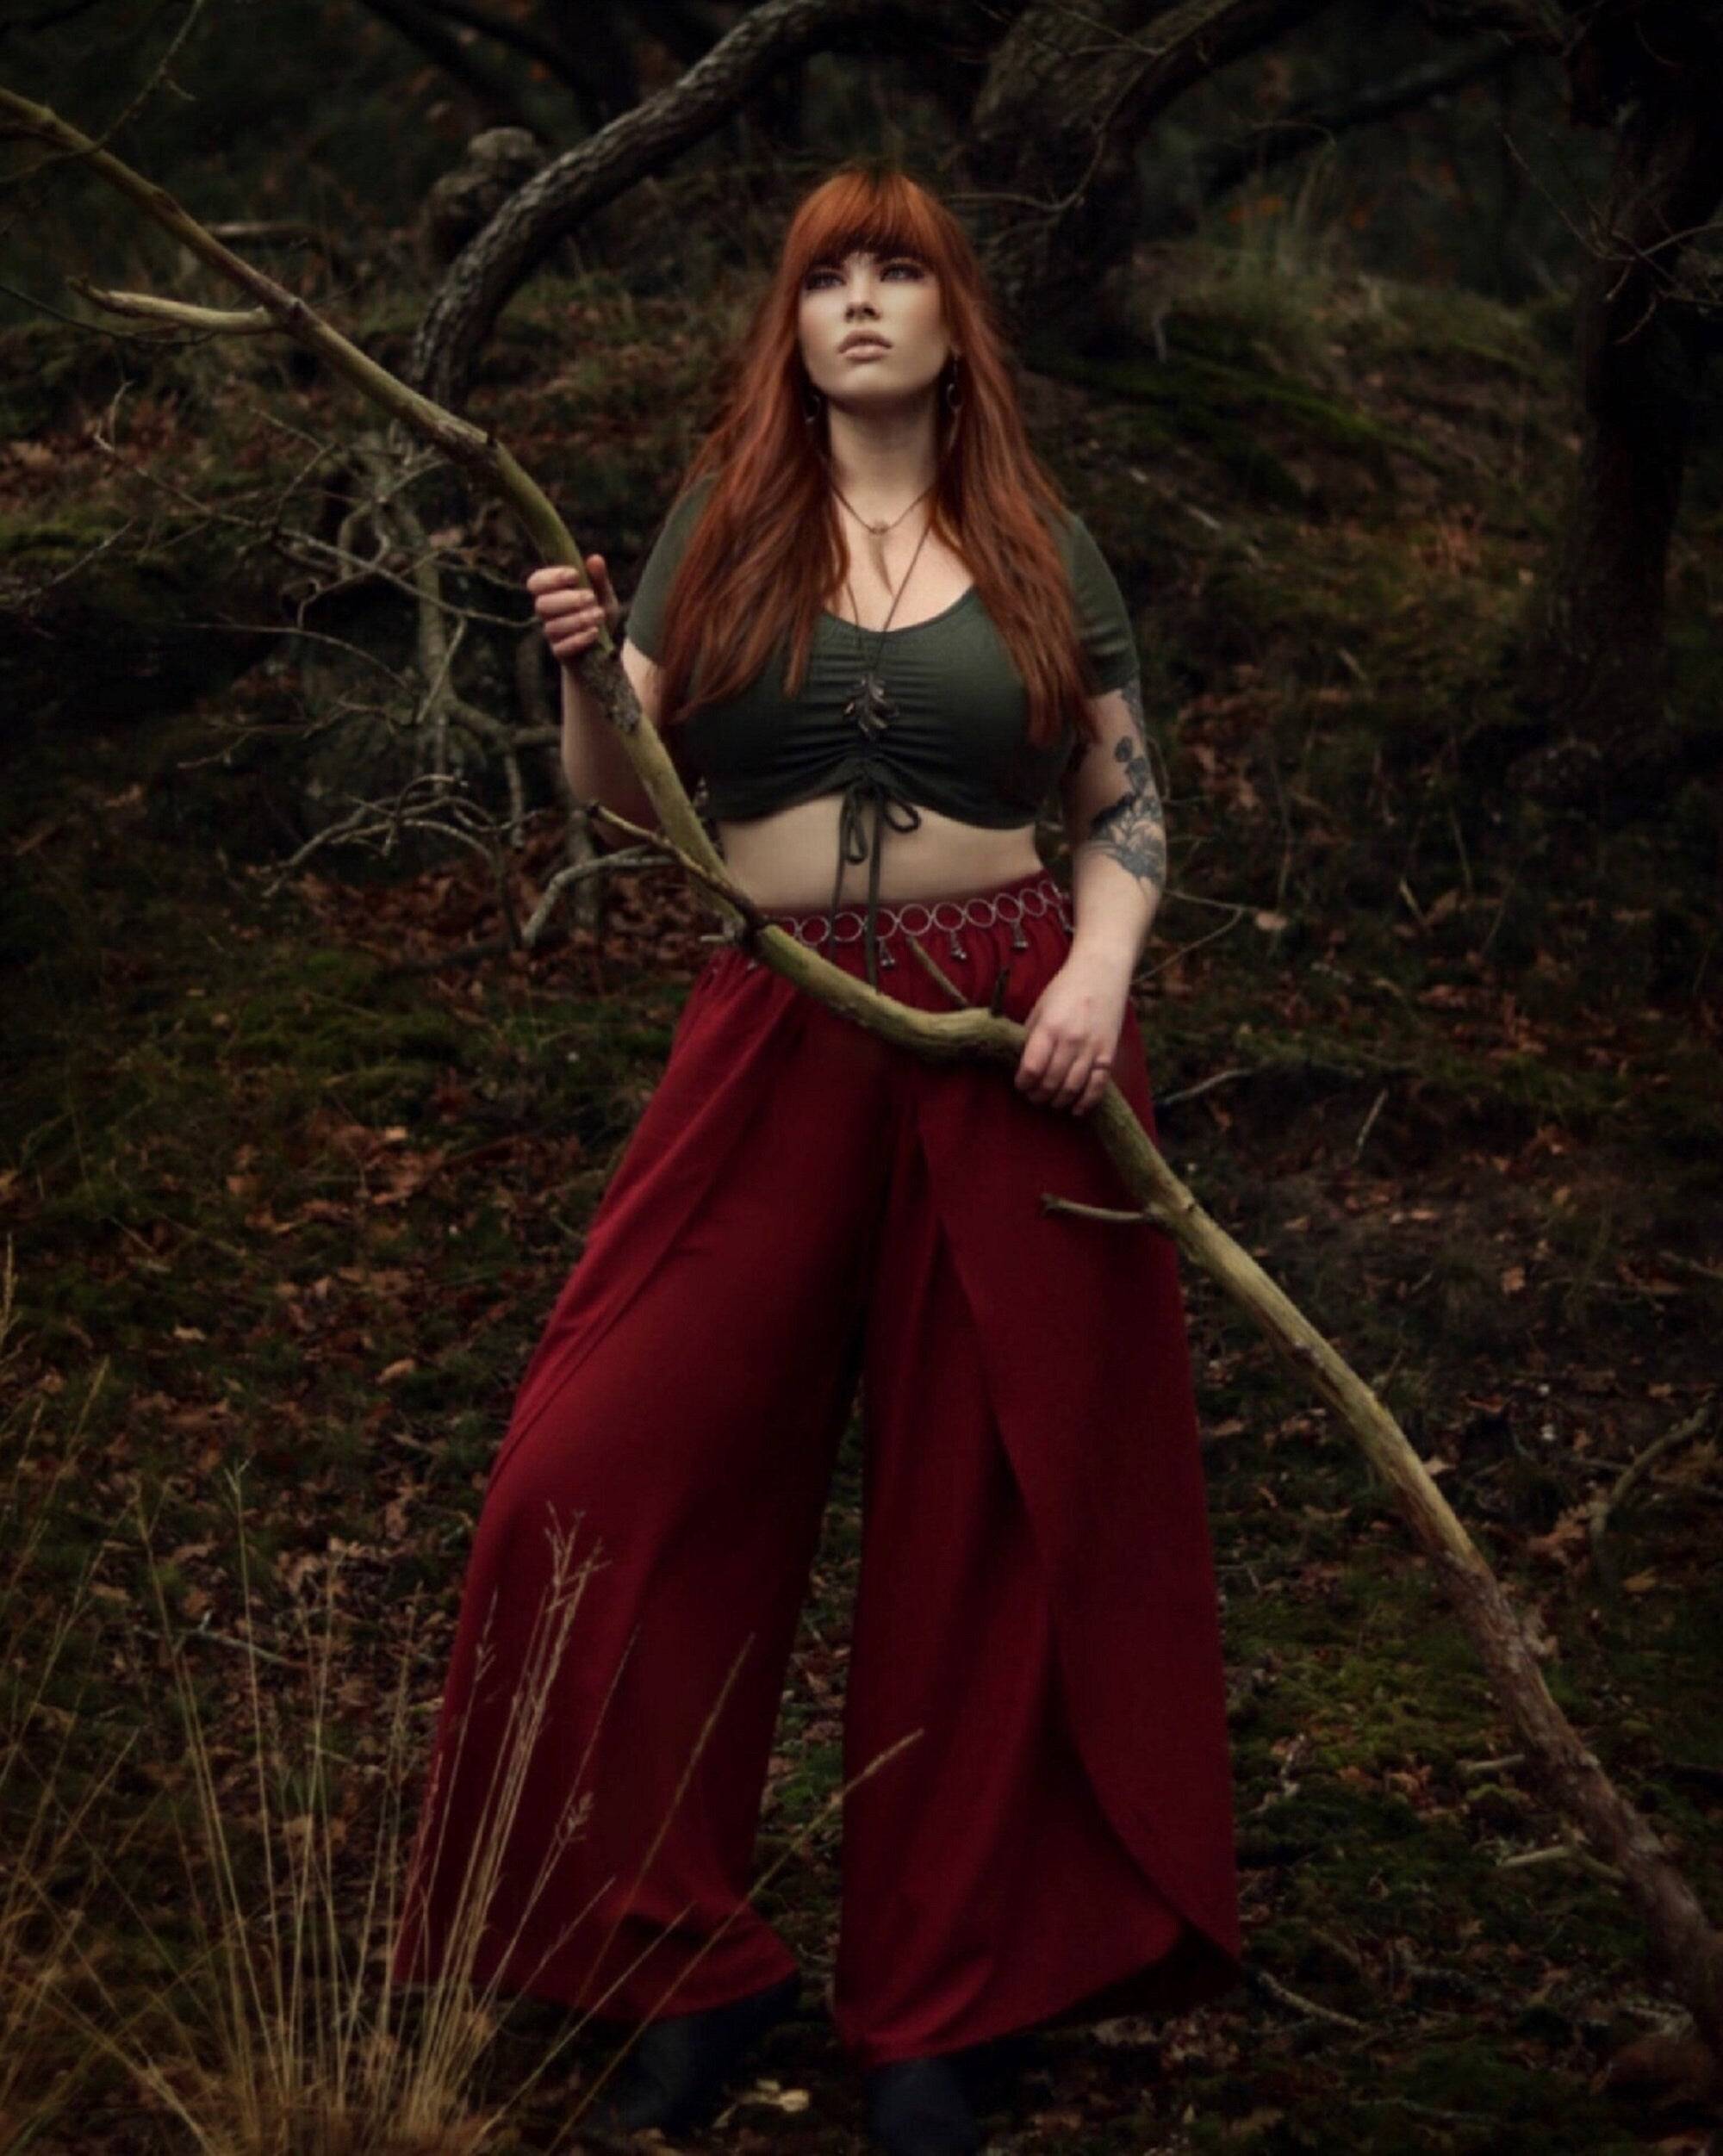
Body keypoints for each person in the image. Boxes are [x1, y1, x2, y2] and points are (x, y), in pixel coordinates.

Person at [391, 158, 1241, 2156]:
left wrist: (1097, 972)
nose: (858, 300)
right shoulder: (726, 523)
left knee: (995, 1508)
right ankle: (677, 1956)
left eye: (895, 272)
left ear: (952, 320)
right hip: (776, 1014)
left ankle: (944, 2005)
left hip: (1009, 1032)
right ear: (789, 325)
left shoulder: (1035, 538)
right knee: (592, 1468)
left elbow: (1124, 801)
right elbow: (624, 806)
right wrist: (582, 674)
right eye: (823, 276)